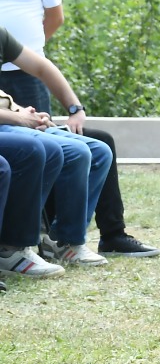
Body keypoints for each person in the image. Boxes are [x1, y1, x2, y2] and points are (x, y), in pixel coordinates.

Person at [0, 0, 159, 257]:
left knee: (95, 142)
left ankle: (103, 234)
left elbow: (53, 22)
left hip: (24, 77)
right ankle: (28, 242)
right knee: (36, 150)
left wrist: (74, 106)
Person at [0, 23, 113, 274]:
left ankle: (63, 241)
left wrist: (72, 109)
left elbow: (41, 66)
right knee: (41, 148)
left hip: (9, 115)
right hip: (5, 122)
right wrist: (18, 118)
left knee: (96, 151)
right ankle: (13, 246)